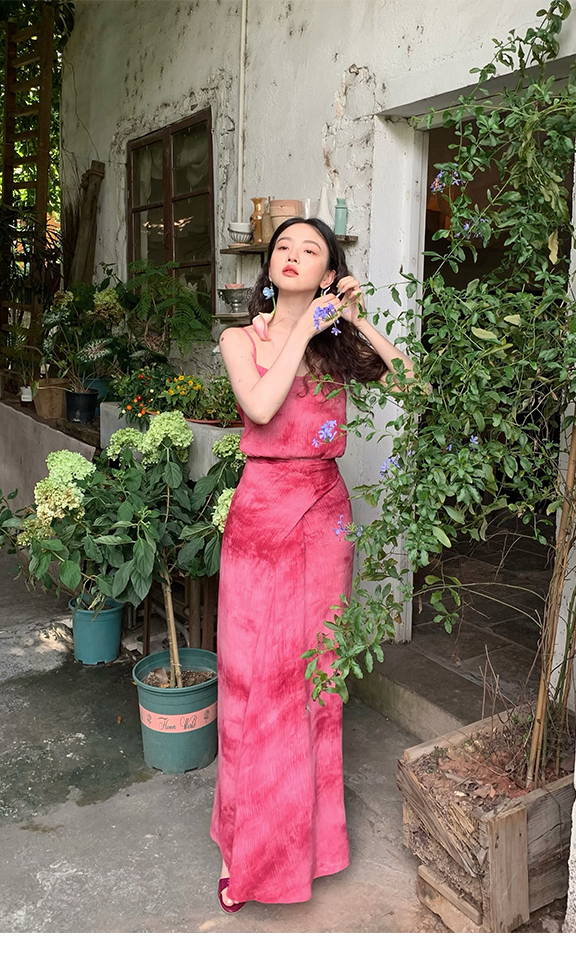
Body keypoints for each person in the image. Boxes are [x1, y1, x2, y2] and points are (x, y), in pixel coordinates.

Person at [211, 217, 414, 912]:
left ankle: (313, 846)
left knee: (315, 681)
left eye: (310, 250)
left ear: (330, 273)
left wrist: (354, 321)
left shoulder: (335, 345)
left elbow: (410, 384)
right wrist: (303, 328)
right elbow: (261, 405)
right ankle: (250, 854)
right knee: (257, 680)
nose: (292, 255)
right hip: (262, 516)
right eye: (283, 248)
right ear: (269, 266)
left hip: (326, 516)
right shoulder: (241, 338)